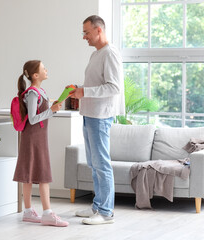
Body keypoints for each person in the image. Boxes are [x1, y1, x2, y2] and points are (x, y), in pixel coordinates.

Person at [70, 15, 125, 225]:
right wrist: (80, 92)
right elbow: (96, 84)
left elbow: (114, 87)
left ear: (98, 30)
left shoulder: (110, 54)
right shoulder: (96, 55)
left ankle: (106, 212)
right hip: (89, 114)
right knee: (94, 164)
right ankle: (97, 206)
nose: (84, 36)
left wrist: (85, 92)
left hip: (101, 116)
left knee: (102, 164)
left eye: (87, 32)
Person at [13, 60, 69, 227]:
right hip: (32, 138)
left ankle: (29, 211)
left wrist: (52, 110)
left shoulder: (41, 91)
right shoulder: (33, 94)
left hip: (39, 137)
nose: (46, 70)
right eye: (43, 68)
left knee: (32, 174)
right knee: (40, 173)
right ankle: (47, 213)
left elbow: (42, 116)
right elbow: (32, 119)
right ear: (35, 75)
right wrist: (51, 111)